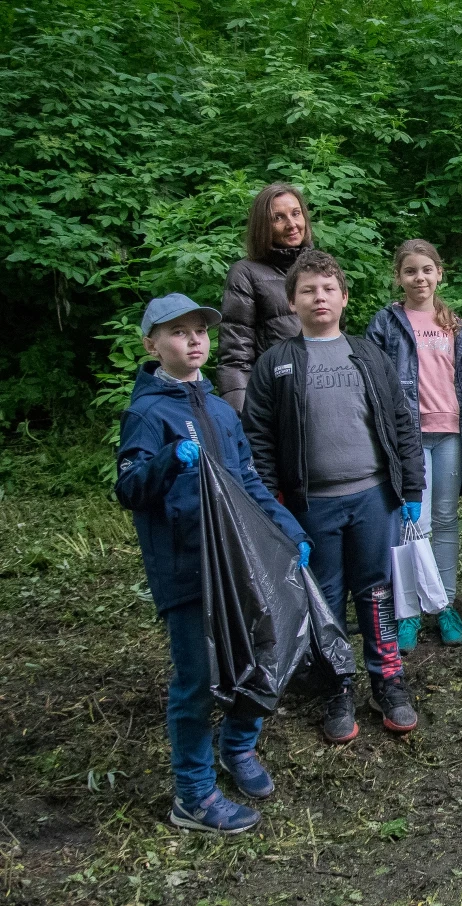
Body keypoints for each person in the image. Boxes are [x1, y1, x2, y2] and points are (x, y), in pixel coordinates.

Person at [116, 293, 310, 834]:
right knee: (196, 680)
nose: (195, 339)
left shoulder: (222, 410)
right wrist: (163, 462)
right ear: (152, 344)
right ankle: (194, 796)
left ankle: (238, 745)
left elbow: (247, 481)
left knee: (265, 649)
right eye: (178, 332)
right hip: (187, 567)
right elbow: (130, 488)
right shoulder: (148, 412)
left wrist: (289, 531)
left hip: (239, 560)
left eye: (201, 330)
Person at [242, 250, 425, 742]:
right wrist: (274, 509)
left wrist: (411, 486)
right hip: (312, 504)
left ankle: (388, 679)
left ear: (344, 298)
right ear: (291, 302)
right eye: (307, 290)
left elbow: (402, 422)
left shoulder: (368, 354)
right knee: (324, 597)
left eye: (327, 289)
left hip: (374, 497)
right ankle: (335, 685)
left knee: (377, 590)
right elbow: (258, 439)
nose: (318, 297)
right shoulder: (275, 364)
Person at [365, 240, 462, 652]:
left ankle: (446, 603)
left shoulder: (454, 324)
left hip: (451, 432)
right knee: (414, 525)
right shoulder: (387, 323)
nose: (420, 278)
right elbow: (374, 382)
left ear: (440, 274)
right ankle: (411, 610)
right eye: (410, 271)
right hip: (410, 436)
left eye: (427, 270)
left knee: (445, 520)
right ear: (398, 277)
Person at [219, 184, 314, 410]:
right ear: (263, 226)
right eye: (278, 218)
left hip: (323, 394)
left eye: (296, 213)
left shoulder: (320, 267)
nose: (291, 224)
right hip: (274, 400)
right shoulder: (245, 273)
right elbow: (235, 357)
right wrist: (242, 419)